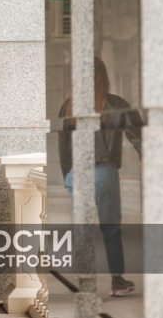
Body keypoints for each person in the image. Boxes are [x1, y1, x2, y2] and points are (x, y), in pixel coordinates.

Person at [58, 56, 143, 297]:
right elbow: (138, 134)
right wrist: (144, 155)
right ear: (104, 77)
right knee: (110, 228)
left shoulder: (69, 106)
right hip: (103, 172)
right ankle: (117, 282)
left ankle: (87, 285)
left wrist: (68, 176)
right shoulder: (116, 104)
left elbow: (63, 146)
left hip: (76, 173)